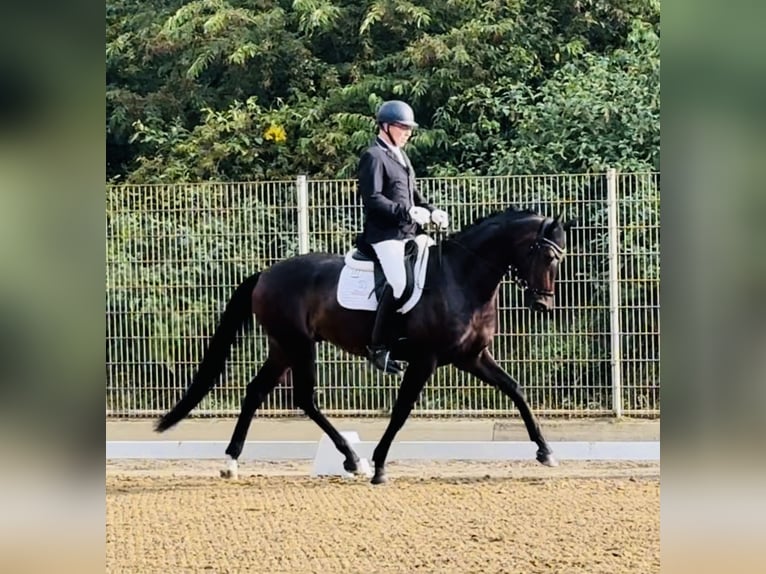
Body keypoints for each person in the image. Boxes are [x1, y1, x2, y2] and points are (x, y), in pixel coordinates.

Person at [357, 100, 449, 375]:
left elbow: (414, 194)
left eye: (410, 128)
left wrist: (432, 211)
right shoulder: (373, 156)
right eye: (403, 127)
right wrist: (407, 212)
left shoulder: (401, 156)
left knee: (436, 270)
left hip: (409, 234)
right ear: (385, 127)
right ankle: (379, 348)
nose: (408, 133)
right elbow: (373, 199)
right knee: (400, 284)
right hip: (385, 235)